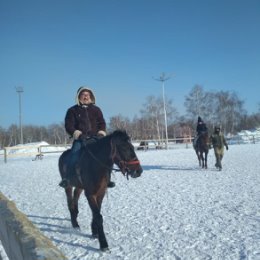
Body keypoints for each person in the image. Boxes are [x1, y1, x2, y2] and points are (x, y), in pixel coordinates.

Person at [59, 86, 115, 188]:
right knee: (74, 155)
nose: (86, 97)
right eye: (83, 94)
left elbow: (102, 123)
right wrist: (77, 134)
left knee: (107, 155)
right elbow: (69, 125)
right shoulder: (72, 110)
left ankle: (108, 178)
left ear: (91, 96)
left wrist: (101, 133)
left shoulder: (96, 110)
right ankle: (67, 178)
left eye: (88, 95)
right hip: (80, 139)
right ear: (79, 96)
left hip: (96, 138)